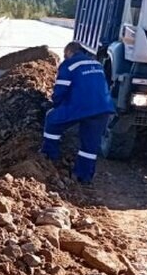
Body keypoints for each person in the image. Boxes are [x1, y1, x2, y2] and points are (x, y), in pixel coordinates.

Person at [40, 41, 116, 183]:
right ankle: (84, 176)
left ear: (69, 52)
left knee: (51, 118)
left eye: (65, 55)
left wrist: (56, 104)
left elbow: (60, 90)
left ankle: (49, 155)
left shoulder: (69, 65)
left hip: (80, 106)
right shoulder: (97, 64)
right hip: (102, 108)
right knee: (90, 144)